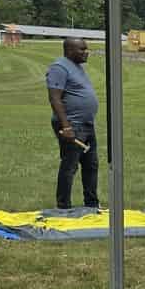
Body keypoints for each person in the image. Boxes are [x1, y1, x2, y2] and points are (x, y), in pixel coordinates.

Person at [44, 35, 99, 212]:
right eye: (82, 49)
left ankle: (91, 204)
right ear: (69, 51)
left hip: (86, 124)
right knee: (70, 166)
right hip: (72, 125)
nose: (86, 52)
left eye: (86, 48)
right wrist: (66, 126)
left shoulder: (77, 67)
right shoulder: (59, 67)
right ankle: (63, 206)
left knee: (91, 164)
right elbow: (55, 98)